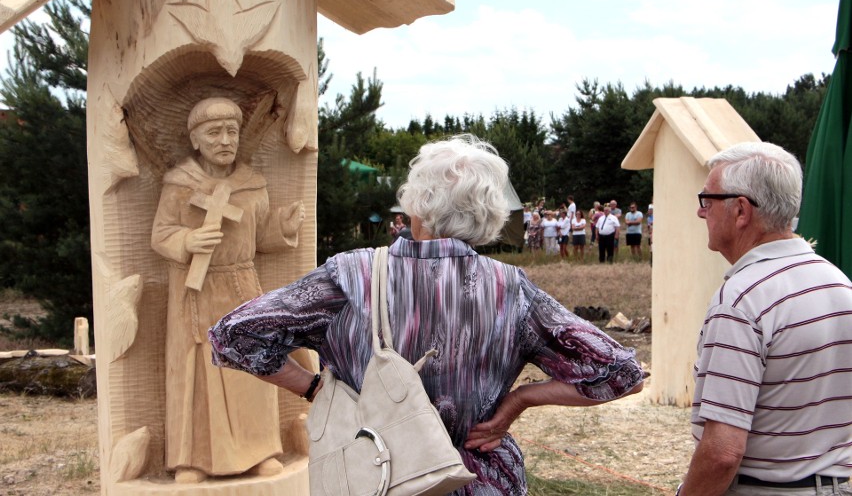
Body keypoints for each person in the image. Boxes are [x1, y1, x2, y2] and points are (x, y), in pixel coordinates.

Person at [208, 135, 645, 495]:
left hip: (372, 479)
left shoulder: (350, 275)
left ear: (415, 204)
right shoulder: (511, 289)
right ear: (489, 213)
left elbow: (234, 336)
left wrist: (314, 388)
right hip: (481, 480)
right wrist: (519, 400)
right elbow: (622, 373)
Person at [678, 142, 852, 496]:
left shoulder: (742, 300)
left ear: (741, 210)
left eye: (707, 200)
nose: (701, 212)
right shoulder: (839, 283)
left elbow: (722, 453)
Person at [151, 97, 304, 483]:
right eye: (214, 132)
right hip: (196, 290)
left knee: (249, 368)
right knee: (197, 374)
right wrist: (188, 240)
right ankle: (193, 460)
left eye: (232, 131)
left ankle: (259, 451)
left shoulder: (251, 184)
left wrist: (283, 226)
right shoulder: (179, 184)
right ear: (196, 140)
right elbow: (161, 234)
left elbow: (260, 235)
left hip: (241, 284)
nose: (225, 140)